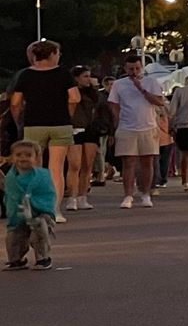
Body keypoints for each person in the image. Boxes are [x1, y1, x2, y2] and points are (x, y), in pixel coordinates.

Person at [8, 40, 78, 222]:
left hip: (34, 124)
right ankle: (54, 210)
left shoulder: (26, 75)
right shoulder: (63, 73)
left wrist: (18, 121)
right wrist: (67, 114)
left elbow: (15, 103)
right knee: (56, 168)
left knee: (33, 168)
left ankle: (34, 208)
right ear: (52, 54)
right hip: (60, 124)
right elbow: (74, 97)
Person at [105, 54, 166, 208]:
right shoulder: (119, 84)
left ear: (142, 68)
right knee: (128, 162)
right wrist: (117, 123)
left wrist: (142, 89)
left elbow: (159, 102)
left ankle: (145, 194)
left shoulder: (151, 82)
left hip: (148, 126)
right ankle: (128, 195)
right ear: (125, 69)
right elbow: (113, 105)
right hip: (127, 127)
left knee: (147, 162)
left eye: (137, 68)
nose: (134, 71)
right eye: (131, 69)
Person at [5, 137, 58, 269]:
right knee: (14, 235)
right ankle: (16, 258)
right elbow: (10, 196)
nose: (23, 158)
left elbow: (48, 194)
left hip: (40, 212)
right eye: (18, 155)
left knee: (39, 229)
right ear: (11, 157)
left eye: (28, 155)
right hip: (19, 212)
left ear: (36, 157)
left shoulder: (43, 176)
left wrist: (39, 206)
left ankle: (43, 257)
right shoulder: (11, 178)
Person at [66, 65, 109, 210]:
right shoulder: (70, 92)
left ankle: (82, 196)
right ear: (76, 78)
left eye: (89, 76)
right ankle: (72, 196)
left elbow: (101, 107)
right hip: (74, 128)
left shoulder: (94, 94)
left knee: (87, 165)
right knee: (74, 164)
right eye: (85, 76)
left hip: (91, 129)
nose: (88, 79)